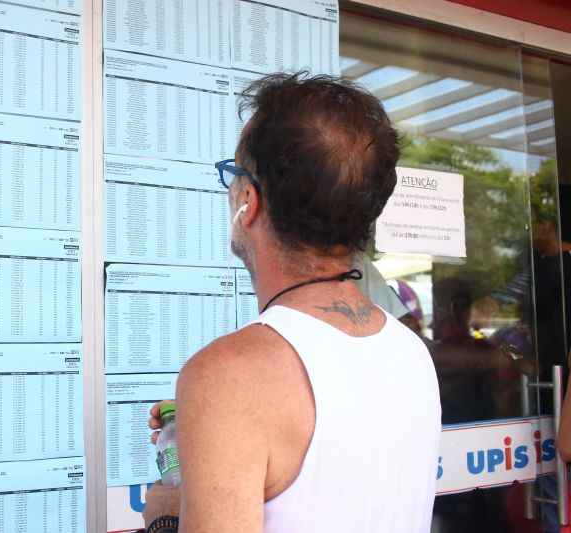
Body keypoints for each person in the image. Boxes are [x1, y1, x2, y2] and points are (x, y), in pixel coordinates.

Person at [140, 73, 442, 533]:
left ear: (248, 199)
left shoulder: (229, 375)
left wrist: (166, 515)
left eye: (233, 174)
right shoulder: (411, 351)